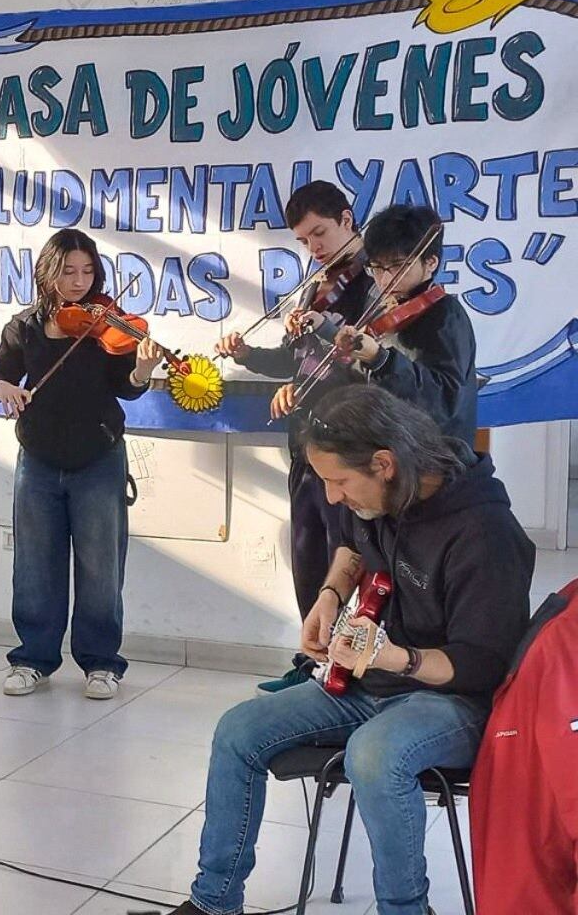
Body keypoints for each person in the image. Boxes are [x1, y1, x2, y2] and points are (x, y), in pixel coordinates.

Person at [169, 385, 533, 915]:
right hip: (372, 684)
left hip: (455, 699)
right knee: (237, 731)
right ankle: (214, 902)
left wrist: (397, 658)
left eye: (339, 481)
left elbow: (483, 663)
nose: (333, 497)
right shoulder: (386, 493)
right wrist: (329, 595)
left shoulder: (485, 533)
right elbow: (353, 545)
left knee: (374, 755)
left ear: (384, 463)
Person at [0, 228, 162, 701]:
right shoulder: (23, 327)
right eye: (69, 271)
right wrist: (4, 389)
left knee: (101, 565)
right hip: (38, 459)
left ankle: (102, 663)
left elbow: (127, 386)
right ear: (49, 272)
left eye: (88, 271)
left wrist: (142, 369)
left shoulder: (105, 325)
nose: (80, 281)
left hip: (98, 458)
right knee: (35, 564)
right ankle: (33, 659)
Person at [215, 181, 374, 693]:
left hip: (349, 447)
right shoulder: (316, 286)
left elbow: (364, 368)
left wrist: (321, 345)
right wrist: (246, 356)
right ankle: (313, 664)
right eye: (305, 241)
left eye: (320, 233)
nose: (315, 248)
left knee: (346, 560)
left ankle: (347, 669)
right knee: (307, 554)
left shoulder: (375, 286)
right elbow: (294, 359)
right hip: (305, 442)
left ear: (348, 219)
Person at [334, 203, 479, 447]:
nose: (385, 279)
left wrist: (381, 360)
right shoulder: (389, 308)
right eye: (377, 267)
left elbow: (443, 401)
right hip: (395, 457)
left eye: (398, 266)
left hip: (435, 463)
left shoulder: (445, 315)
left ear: (430, 263)